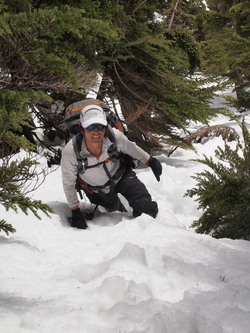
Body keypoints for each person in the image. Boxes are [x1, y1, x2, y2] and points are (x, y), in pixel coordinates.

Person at [61, 104, 162, 229]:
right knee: (113, 210)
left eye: (100, 126)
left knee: (147, 209)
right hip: (95, 189)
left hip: (122, 177)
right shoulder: (71, 151)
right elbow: (68, 183)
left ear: (105, 126)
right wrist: (75, 211)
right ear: (82, 128)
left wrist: (150, 161)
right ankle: (117, 205)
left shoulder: (114, 136)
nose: (96, 131)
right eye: (90, 127)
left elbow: (132, 149)